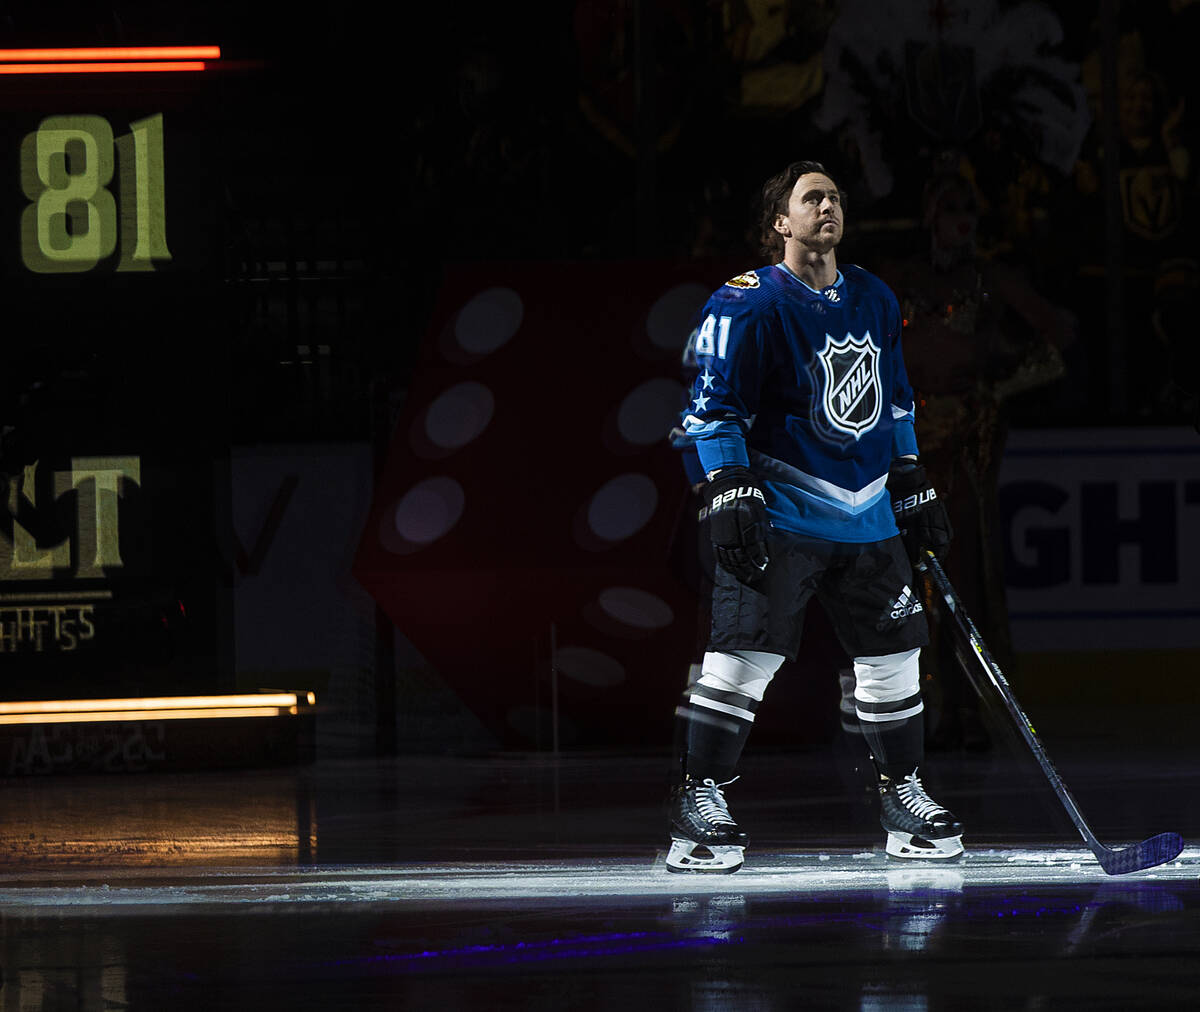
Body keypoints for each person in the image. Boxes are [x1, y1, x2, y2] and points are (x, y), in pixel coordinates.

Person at [666, 159, 959, 873]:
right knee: (745, 656)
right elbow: (708, 406)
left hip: (867, 516)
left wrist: (912, 476)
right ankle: (697, 803)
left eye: (835, 197)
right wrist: (727, 487)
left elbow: (895, 400)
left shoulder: (875, 297)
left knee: (893, 657)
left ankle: (902, 797)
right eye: (812, 197)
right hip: (786, 511)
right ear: (780, 222)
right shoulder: (747, 302)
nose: (828, 206)